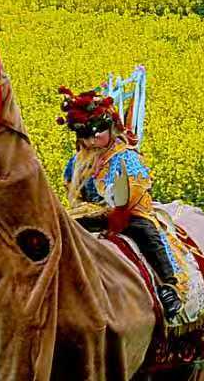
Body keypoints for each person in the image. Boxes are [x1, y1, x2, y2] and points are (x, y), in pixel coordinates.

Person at [59, 87, 182, 321]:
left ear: (111, 128)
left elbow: (132, 193)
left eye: (97, 133)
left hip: (127, 215)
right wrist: (79, 209)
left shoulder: (125, 156)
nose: (92, 140)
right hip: (89, 217)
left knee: (146, 232)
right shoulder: (77, 161)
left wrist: (109, 210)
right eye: (84, 135)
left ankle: (170, 285)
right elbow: (71, 190)